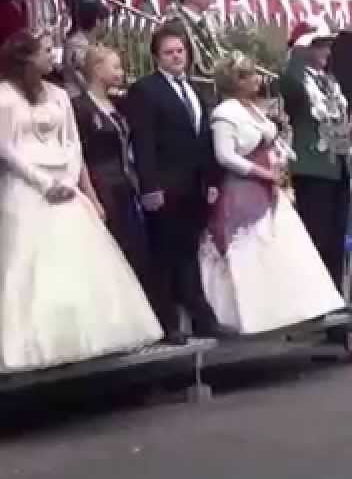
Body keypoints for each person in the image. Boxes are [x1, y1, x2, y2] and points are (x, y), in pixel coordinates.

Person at [0, 31, 162, 372]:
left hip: (65, 184)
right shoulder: (5, 97)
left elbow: (73, 142)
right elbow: (7, 149)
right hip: (28, 186)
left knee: (79, 260)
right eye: (45, 51)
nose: (53, 57)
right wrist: (43, 182)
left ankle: (94, 336)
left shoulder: (59, 95)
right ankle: (34, 344)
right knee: (30, 265)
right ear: (27, 58)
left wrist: (69, 179)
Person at [194, 53, 344, 334]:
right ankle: (250, 312)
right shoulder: (225, 113)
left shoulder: (253, 109)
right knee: (250, 244)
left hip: (269, 185)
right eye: (250, 75)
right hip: (243, 187)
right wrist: (260, 172)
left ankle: (295, 307)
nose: (257, 80)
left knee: (281, 243)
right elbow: (225, 156)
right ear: (237, 81)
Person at [126, 26, 223, 343]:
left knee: (189, 252)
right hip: (166, 186)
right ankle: (167, 323)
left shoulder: (196, 90)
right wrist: (150, 186)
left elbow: (204, 139)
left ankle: (200, 317)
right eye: (168, 52)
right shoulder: (145, 90)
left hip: (195, 185)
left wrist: (211, 179)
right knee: (164, 256)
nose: (176, 57)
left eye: (180, 51)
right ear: (156, 57)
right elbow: (144, 142)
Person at [279, 17, 351, 292]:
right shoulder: (296, 78)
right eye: (319, 46)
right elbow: (290, 80)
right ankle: (318, 302)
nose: (326, 52)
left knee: (338, 242)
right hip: (313, 168)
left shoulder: (328, 81)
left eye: (328, 46)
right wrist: (298, 43)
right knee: (317, 240)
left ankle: (336, 299)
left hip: (338, 167)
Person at [71, 45, 151, 292]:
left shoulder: (118, 104)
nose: (121, 72)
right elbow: (78, 154)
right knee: (112, 249)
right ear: (96, 68)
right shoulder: (80, 107)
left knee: (136, 250)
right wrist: (92, 197)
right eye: (115, 66)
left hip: (127, 183)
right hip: (102, 183)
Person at [61, 0, 109, 97]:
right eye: (106, 20)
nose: (107, 25)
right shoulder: (76, 44)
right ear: (98, 21)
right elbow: (84, 79)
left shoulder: (91, 42)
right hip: (78, 98)